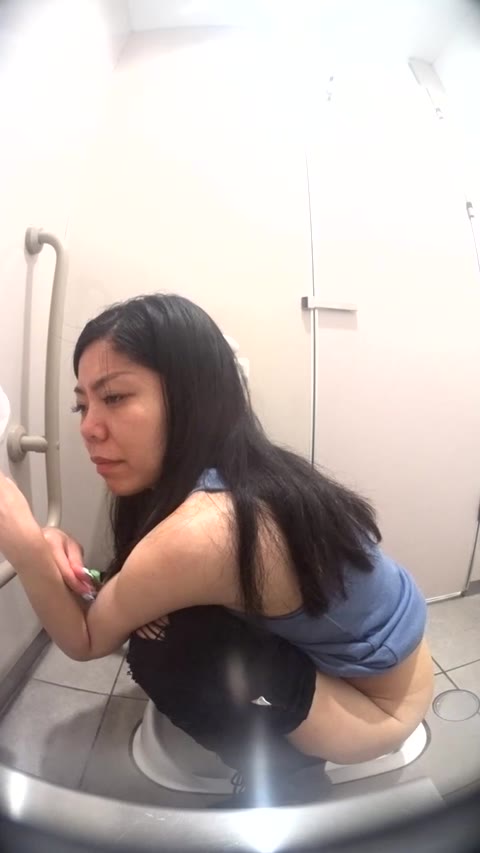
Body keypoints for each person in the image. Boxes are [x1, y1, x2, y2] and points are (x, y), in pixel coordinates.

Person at [0, 293, 434, 801]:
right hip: (387, 665)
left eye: (113, 397)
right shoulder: (239, 473)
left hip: (377, 711)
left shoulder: (205, 529)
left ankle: (285, 774)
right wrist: (51, 551)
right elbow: (121, 593)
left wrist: (24, 542)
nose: (88, 428)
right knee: (155, 614)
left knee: (163, 648)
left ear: (191, 398)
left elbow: (86, 640)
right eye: (83, 404)